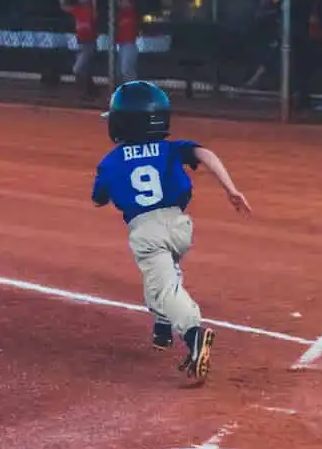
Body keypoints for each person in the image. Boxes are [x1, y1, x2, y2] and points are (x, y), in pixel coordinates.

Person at [89, 80, 252, 384]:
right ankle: (163, 327)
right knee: (165, 277)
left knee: (164, 290)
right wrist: (230, 189)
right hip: (180, 228)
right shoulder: (171, 148)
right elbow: (205, 154)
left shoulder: (111, 162)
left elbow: (98, 198)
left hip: (147, 232)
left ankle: (193, 334)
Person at [60, 0, 100, 98]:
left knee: (77, 69)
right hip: (81, 43)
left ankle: (88, 91)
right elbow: (63, 6)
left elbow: (95, 13)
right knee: (85, 69)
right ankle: (89, 92)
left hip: (89, 44)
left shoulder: (90, 10)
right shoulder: (77, 9)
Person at [104, 0, 141, 83]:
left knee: (126, 71)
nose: (123, 2)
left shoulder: (131, 11)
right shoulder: (120, 12)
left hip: (130, 45)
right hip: (120, 45)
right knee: (119, 73)